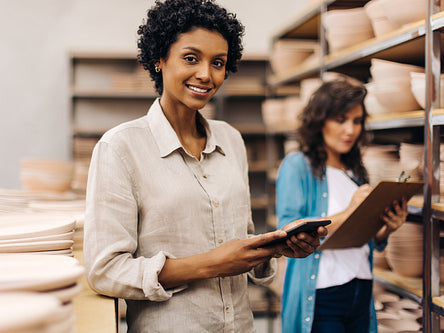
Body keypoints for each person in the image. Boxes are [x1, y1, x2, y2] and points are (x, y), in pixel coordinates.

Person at [83, 0, 327, 332]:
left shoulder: (231, 140)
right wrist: (210, 264)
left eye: (218, 63)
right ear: (159, 58)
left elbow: (238, 238)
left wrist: (273, 248)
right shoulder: (120, 148)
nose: (206, 74)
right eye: (191, 58)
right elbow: (105, 271)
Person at [276, 78, 408, 333]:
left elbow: (361, 236)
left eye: (357, 121)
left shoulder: (356, 172)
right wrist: (349, 213)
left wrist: (387, 228)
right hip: (323, 295)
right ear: (319, 121)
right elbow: (287, 230)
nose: (350, 130)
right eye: (341, 120)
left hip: (361, 290)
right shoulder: (297, 165)